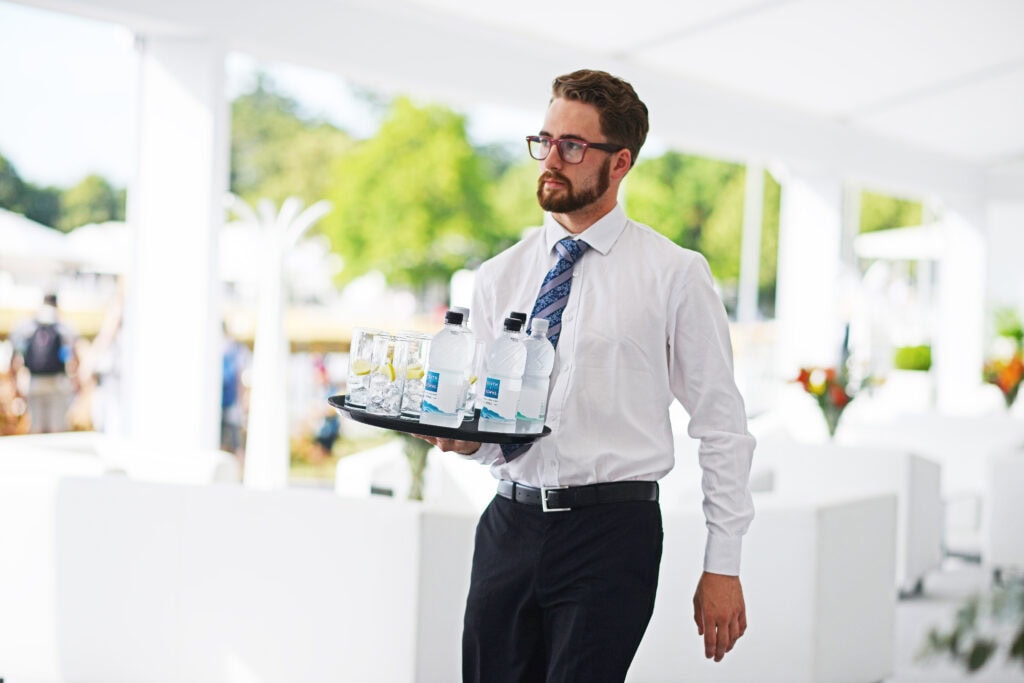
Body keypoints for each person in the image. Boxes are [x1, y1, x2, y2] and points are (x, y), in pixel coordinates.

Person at [415, 69, 755, 683]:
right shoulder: (498, 275)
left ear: (620, 162)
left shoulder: (674, 273)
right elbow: (493, 422)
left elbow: (723, 427)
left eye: (572, 146)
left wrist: (722, 563)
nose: (551, 159)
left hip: (611, 536)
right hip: (507, 527)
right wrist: (467, 441)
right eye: (543, 141)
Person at [10, 292, 78, 434]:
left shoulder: (29, 325)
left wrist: (15, 383)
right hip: (57, 382)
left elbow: (16, 356)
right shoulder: (62, 326)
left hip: (34, 382)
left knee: (36, 427)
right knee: (57, 427)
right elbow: (72, 357)